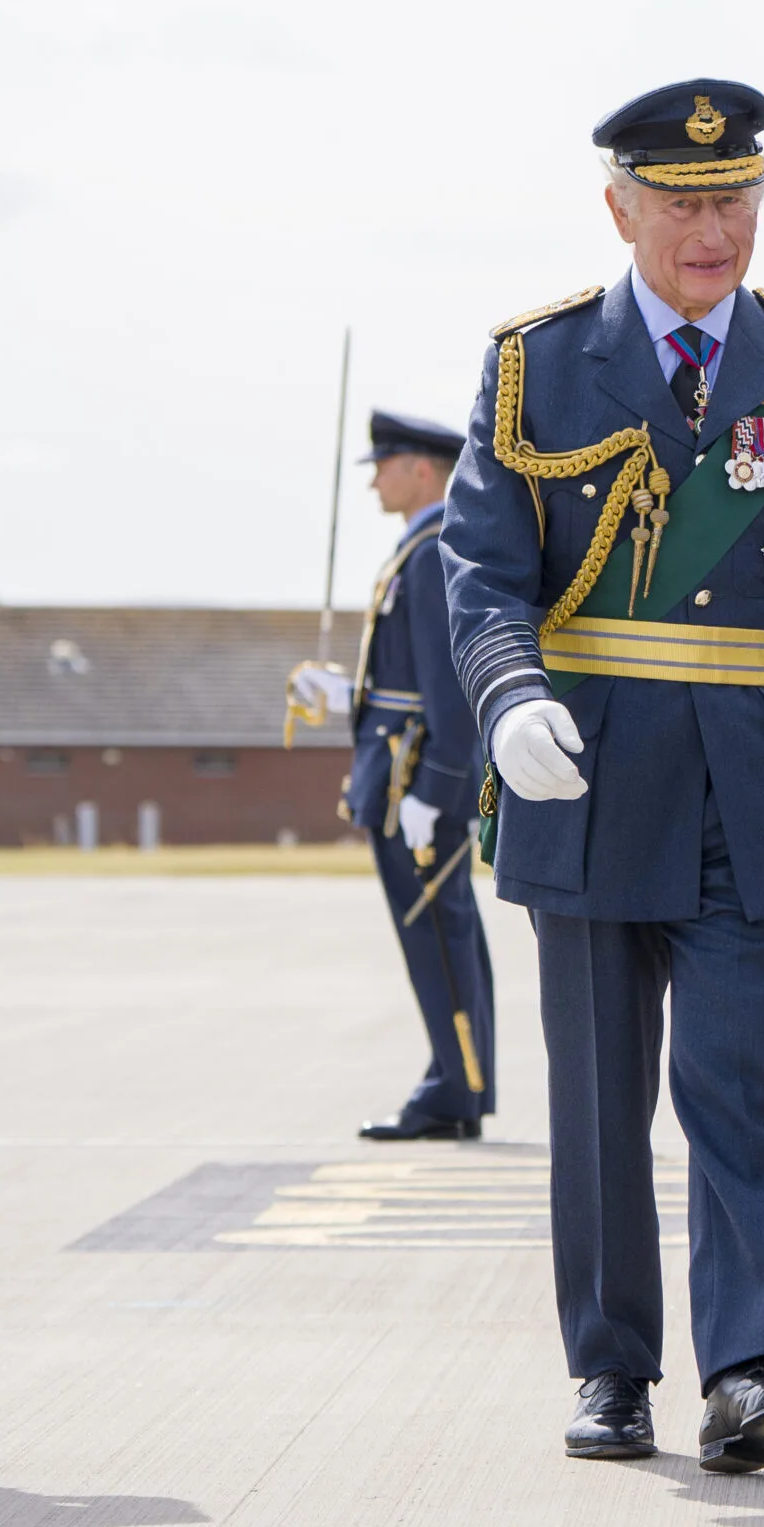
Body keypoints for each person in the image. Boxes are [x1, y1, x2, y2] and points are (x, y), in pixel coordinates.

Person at [439, 79, 764, 1470]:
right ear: (620, 209)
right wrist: (509, 691)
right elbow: (480, 573)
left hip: (756, 786)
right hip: (585, 774)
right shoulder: (538, 363)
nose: (714, 228)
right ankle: (611, 1366)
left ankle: (749, 1367)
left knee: (736, 1083)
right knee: (597, 1097)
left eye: (737, 198)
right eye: (685, 201)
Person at [302, 410, 496, 1142]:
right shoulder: (419, 548)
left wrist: (434, 788)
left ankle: (455, 1087)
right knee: (442, 939)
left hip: (415, 784)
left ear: (422, 469)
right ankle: (462, 1081)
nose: (375, 478)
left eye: (385, 464)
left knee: (437, 940)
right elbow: (405, 676)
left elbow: (449, 689)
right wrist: (340, 690)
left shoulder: (432, 552)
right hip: (401, 777)